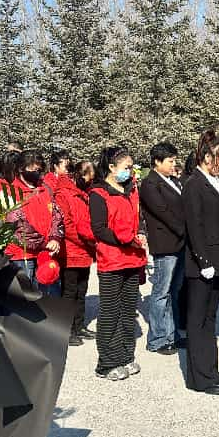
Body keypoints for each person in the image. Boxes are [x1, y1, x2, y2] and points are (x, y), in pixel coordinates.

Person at [183, 129, 219, 395]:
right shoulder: (194, 184)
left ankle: (210, 369)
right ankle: (199, 377)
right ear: (206, 157)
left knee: (209, 318)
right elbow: (194, 226)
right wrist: (203, 260)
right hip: (202, 263)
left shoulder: (215, 181)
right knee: (198, 320)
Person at [90, 146, 147, 380]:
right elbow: (99, 229)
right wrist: (125, 240)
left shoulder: (131, 190)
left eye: (131, 167)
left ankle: (125, 355)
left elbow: (139, 218)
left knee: (128, 310)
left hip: (133, 258)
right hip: (112, 259)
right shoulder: (99, 193)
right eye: (126, 167)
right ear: (111, 167)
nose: (130, 171)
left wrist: (141, 233)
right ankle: (107, 362)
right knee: (110, 311)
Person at [140, 142, 186, 355]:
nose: (173, 164)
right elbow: (163, 212)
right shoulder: (150, 184)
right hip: (166, 244)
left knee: (173, 291)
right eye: (170, 161)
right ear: (157, 161)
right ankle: (157, 338)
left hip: (179, 243)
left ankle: (172, 334)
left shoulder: (173, 181)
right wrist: (185, 230)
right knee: (161, 292)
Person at [45, 153, 96, 346]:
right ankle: (67, 330)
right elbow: (65, 224)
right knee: (69, 292)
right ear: (79, 175)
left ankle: (79, 325)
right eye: (88, 178)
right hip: (70, 250)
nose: (89, 182)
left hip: (84, 251)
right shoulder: (63, 193)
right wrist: (86, 241)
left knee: (81, 291)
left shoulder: (82, 194)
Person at [1, 150, 64, 294]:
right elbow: (18, 226)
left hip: (46, 252)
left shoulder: (45, 189)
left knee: (49, 296)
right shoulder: (11, 192)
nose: (37, 172)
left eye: (39, 169)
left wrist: (55, 237)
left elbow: (57, 215)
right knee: (25, 297)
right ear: (21, 169)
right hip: (22, 255)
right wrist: (43, 243)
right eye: (33, 169)